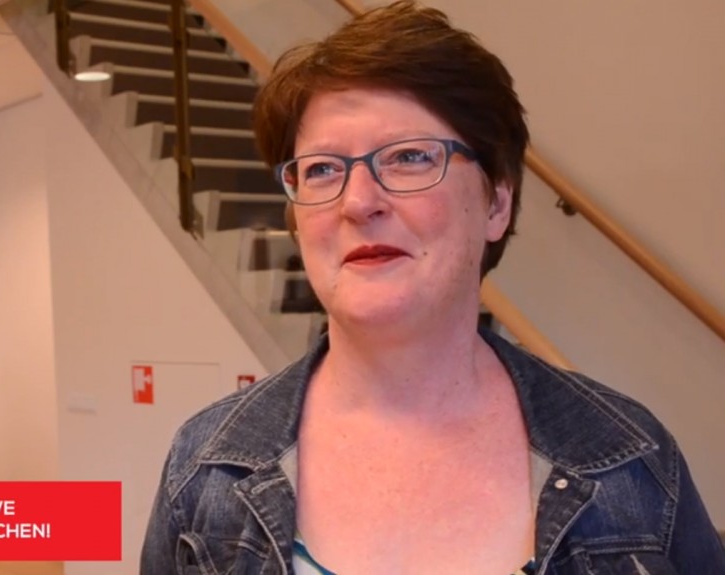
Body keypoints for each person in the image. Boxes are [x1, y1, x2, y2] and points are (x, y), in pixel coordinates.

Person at [140, 1, 725, 573]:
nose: (358, 202)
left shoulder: (630, 461)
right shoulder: (205, 472)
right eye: (321, 169)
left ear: (496, 203)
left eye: (409, 157)